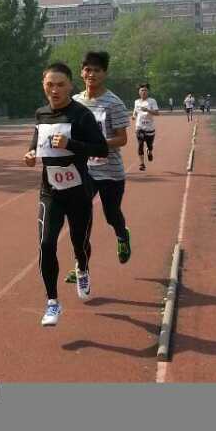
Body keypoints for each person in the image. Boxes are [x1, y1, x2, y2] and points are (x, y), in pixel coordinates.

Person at [24, 62, 108, 327]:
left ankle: (82, 268)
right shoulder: (41, 114)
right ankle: (52, 301)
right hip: (50, 192)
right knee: (46, 244)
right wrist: (30, 154)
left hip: (79, 192)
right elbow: (36, 144)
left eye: (60, 85)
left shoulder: (81, 115)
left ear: (71, 85)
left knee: (78, 242)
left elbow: (102, 149)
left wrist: (70, 144)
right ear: (43, 86)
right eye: (50, 84)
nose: (55, 90)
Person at [62, 51, 131, 285]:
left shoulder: (114, 103)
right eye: (87, 70)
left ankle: (122, 234)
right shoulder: (75, 102)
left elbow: (122, 139)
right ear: (81, 73)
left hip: (110, 171)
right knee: (80, 220)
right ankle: (81, 267)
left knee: (111, 215)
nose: (91, 74)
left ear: (105, 73)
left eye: (97, 70)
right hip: (84, 171)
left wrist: (96, 144)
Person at [132, 83, 160, 170]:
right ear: (139, 92)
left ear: (148, 92)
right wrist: (133, 116)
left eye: (145, 90)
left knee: (150, 145)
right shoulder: (136, 102)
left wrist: (148, 110)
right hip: (139, 127)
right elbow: (135, 111)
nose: (143, 92)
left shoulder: (152, 101)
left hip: (149, 128)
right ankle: (142, 164)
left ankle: (149, 151)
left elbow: (157, 113)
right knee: (140, 144)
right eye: (142, 90)